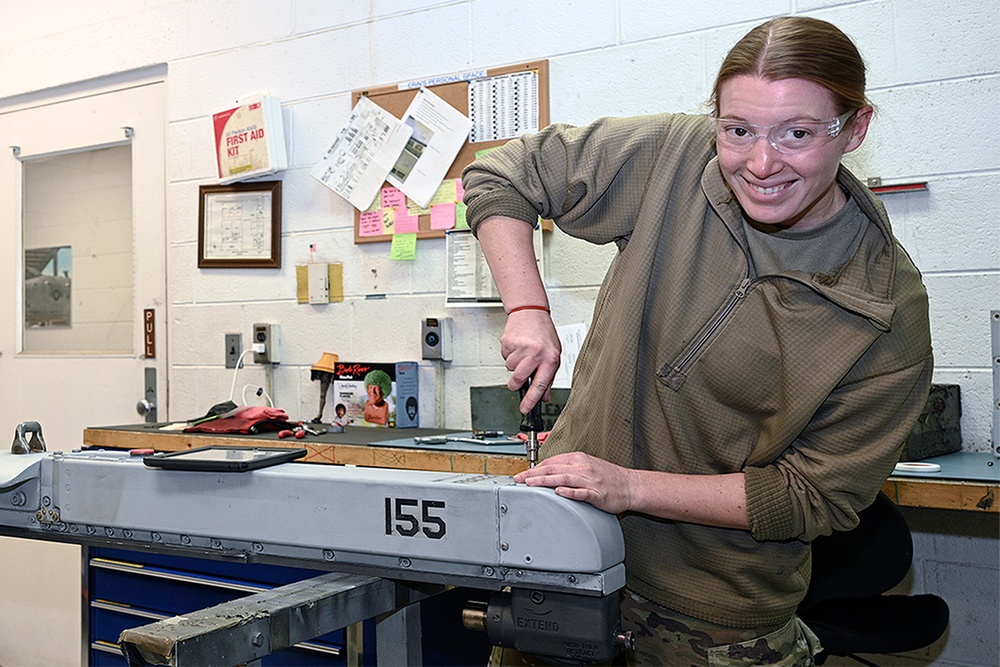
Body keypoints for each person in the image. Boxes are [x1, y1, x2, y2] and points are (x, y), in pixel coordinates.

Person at [462, 15, 932, 666]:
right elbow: (502, 175)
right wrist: (526, 307)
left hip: (715, 616)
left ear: (854, 129)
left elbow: (815, 496)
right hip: (564, 562)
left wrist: (630, 488)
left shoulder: (884, 304)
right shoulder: (675, 159)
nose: (761, 163)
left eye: (796, 133)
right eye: (738, 130)